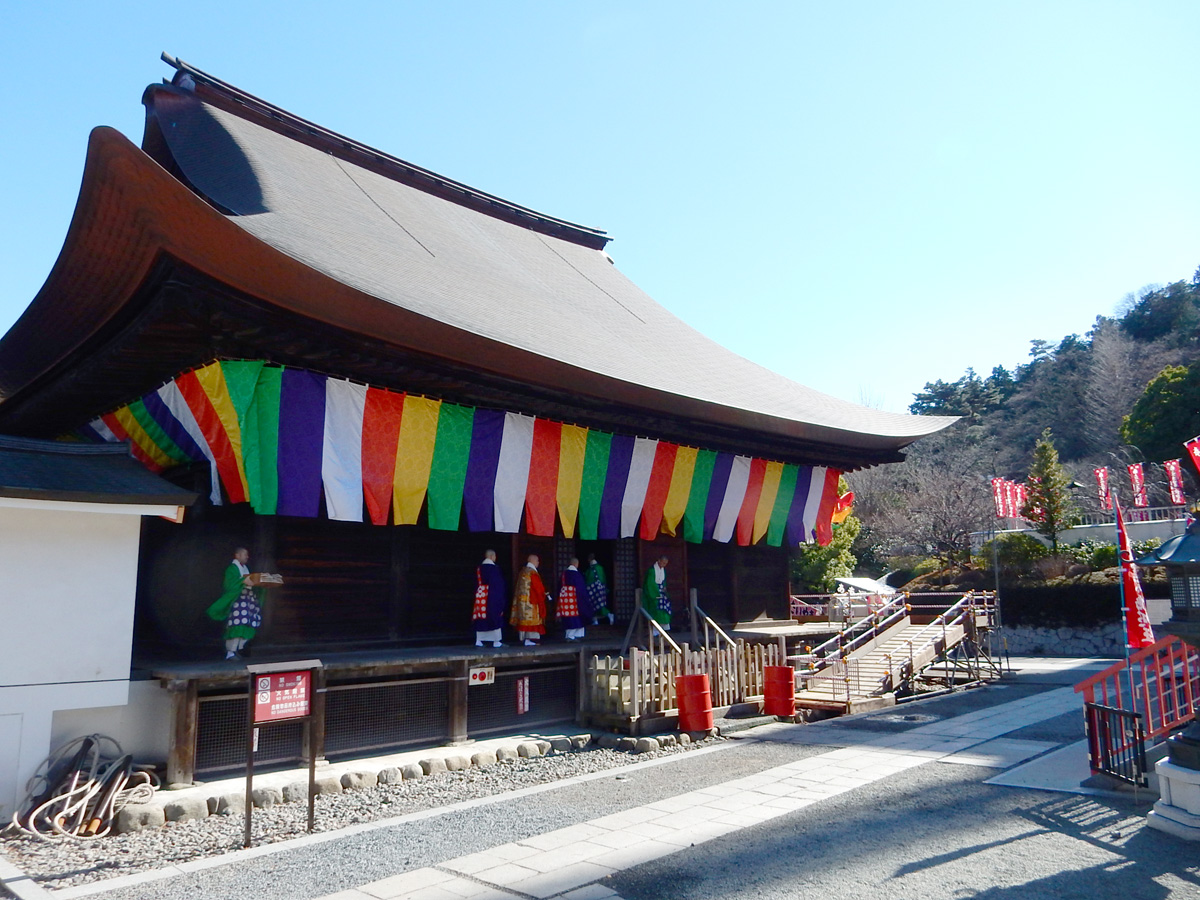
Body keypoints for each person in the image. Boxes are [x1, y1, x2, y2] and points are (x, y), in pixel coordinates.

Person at [205, 547, 264, 659]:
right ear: (237, 556)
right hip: (237, 601)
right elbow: (229, 585)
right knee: (236, 623)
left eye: (247, 555)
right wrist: (243, 581)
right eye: (244, 554)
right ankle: (230, 652)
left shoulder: (246, 569)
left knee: (247, 623)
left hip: (247, 601)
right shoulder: (231, 569)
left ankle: (237, 649)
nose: (247, 557)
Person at [511, 554, 549, 646]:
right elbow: (538, 588)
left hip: (522, 602)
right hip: (531, 602)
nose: (538, 563)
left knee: (524, 620)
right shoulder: (532, 573)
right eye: (537, 561)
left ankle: (525, 639)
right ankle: (531, 639)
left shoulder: (523, 572)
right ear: (533, 561)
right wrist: (543, 594)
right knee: (532, 621)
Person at [472, 549, 507, 648]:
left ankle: (479, 640)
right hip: (492, 595)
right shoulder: (494, 569)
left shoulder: (479, 568)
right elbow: (498, 585)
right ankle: (496, 641)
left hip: (480, 595)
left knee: (481, 616)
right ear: (492, 557)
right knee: (494, 614)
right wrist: (501, 601)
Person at [557, 557, 588, 641]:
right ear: (576, 564)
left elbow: (559, 586)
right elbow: (581, 589)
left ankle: (569, 635)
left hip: (565, 599)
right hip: (575, 599)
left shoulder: (564, 574)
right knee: (576, 616)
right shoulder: (577, 575)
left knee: (568, 617)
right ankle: (575, 635)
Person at [642, 554, 671, 630]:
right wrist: (655, 594)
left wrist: (664, 590)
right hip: (653, 593)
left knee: (665, 605)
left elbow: (663, 582)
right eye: (663, 563)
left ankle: (665, 626)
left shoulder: (663, 570)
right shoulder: (651, 571)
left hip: (661, 591)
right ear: (658, 561)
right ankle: (655, 629)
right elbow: (650, 584)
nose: (664, 565)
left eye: (666, 563)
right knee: (656, 606)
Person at [585, 553, 615, 625]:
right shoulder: (600, 568)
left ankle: (608, 614)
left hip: (593, 589)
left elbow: (588, 579)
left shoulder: (590, 569)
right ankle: (595, 620)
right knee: (599, 604)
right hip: (601, 588)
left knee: (596, 604)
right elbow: (603, 578)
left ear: (589, 559)